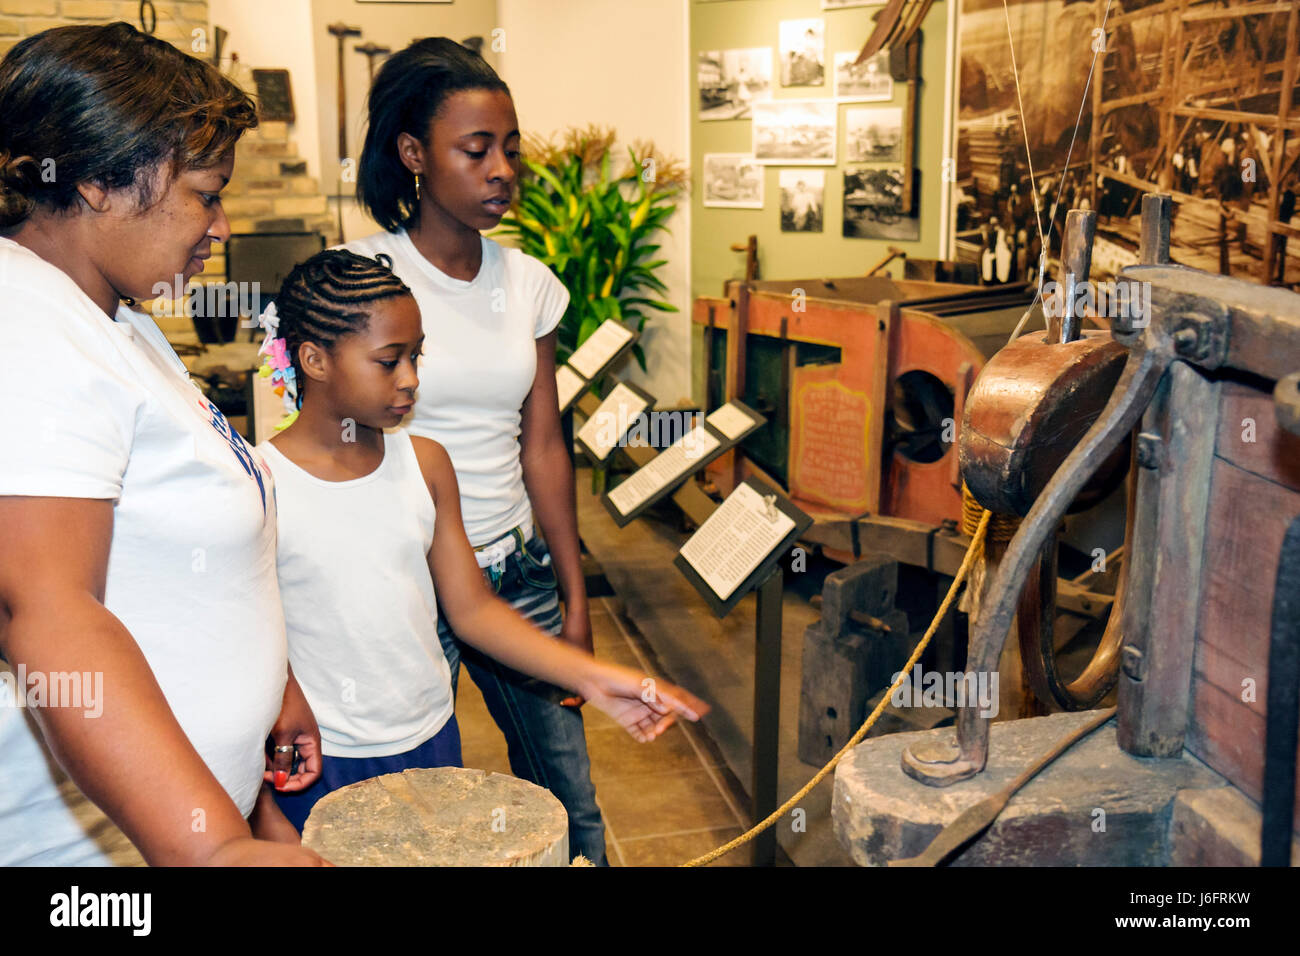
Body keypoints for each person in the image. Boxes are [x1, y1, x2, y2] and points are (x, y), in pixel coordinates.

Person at [0, 22, 325, 865]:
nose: (220, 227)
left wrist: (269, 690)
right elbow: (46, 611)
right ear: (103, 183)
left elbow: (171, 551)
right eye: (206, 193)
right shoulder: (24, 324)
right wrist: (213, 845)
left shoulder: (111, 314)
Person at [253, 250, 707, 832]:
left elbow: (472, 611)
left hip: (429, 734)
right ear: (314, 360)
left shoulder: (426, 464)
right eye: (389, 361)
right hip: (324, 754)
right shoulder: (261, 482)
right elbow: (248, 632)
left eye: (416, 356)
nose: (412, 378)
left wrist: (593, 676)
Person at [345, 36, 615, 864]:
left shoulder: (529, 282)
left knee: (572, 803)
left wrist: (574, 595)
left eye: (510, 148)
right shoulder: (361, 278)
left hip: (511, 574)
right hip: (404, 584)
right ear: (414, 154)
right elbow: (334, 450)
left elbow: (543, 446)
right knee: (427, 809)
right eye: (476, 149)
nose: (503, 169)